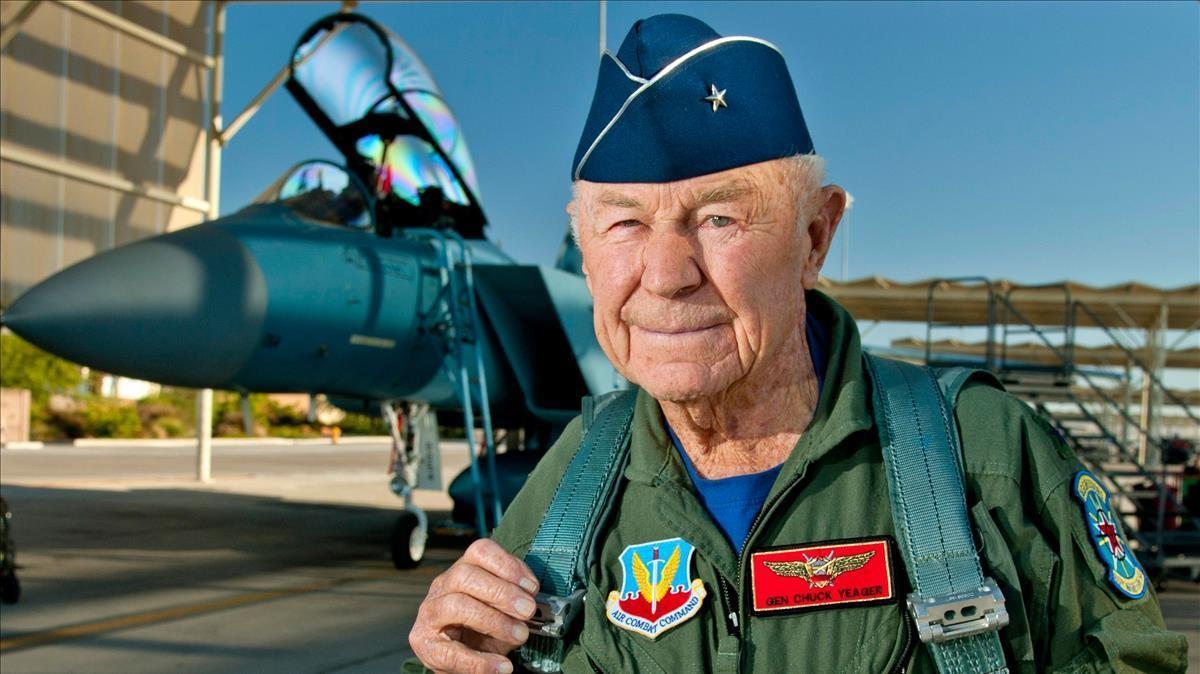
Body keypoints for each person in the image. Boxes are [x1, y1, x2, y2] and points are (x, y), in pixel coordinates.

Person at [407, 14, 1187, 674]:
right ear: (583, 248)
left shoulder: (983, 454)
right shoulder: (575, 476)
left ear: (816, 237)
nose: (668, 275)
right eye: (624, 223)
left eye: (719, 218)